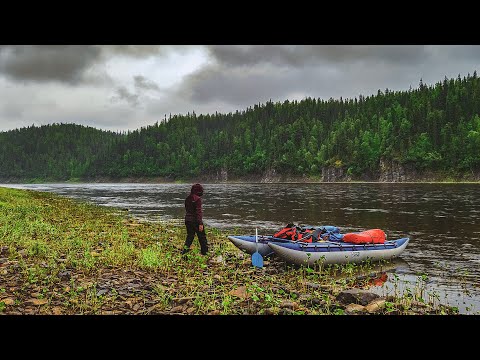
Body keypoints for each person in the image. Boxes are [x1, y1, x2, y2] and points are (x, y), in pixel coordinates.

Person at [182, 183, 209, 256]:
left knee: (190, 236)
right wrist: (200, 223)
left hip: (187, 220)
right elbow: (198, 212)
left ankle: (184, 252)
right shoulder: (198, 199)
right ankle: (205, 253)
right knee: (202, 237)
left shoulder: (187, 198)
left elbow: (187, 210)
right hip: (195, 221)